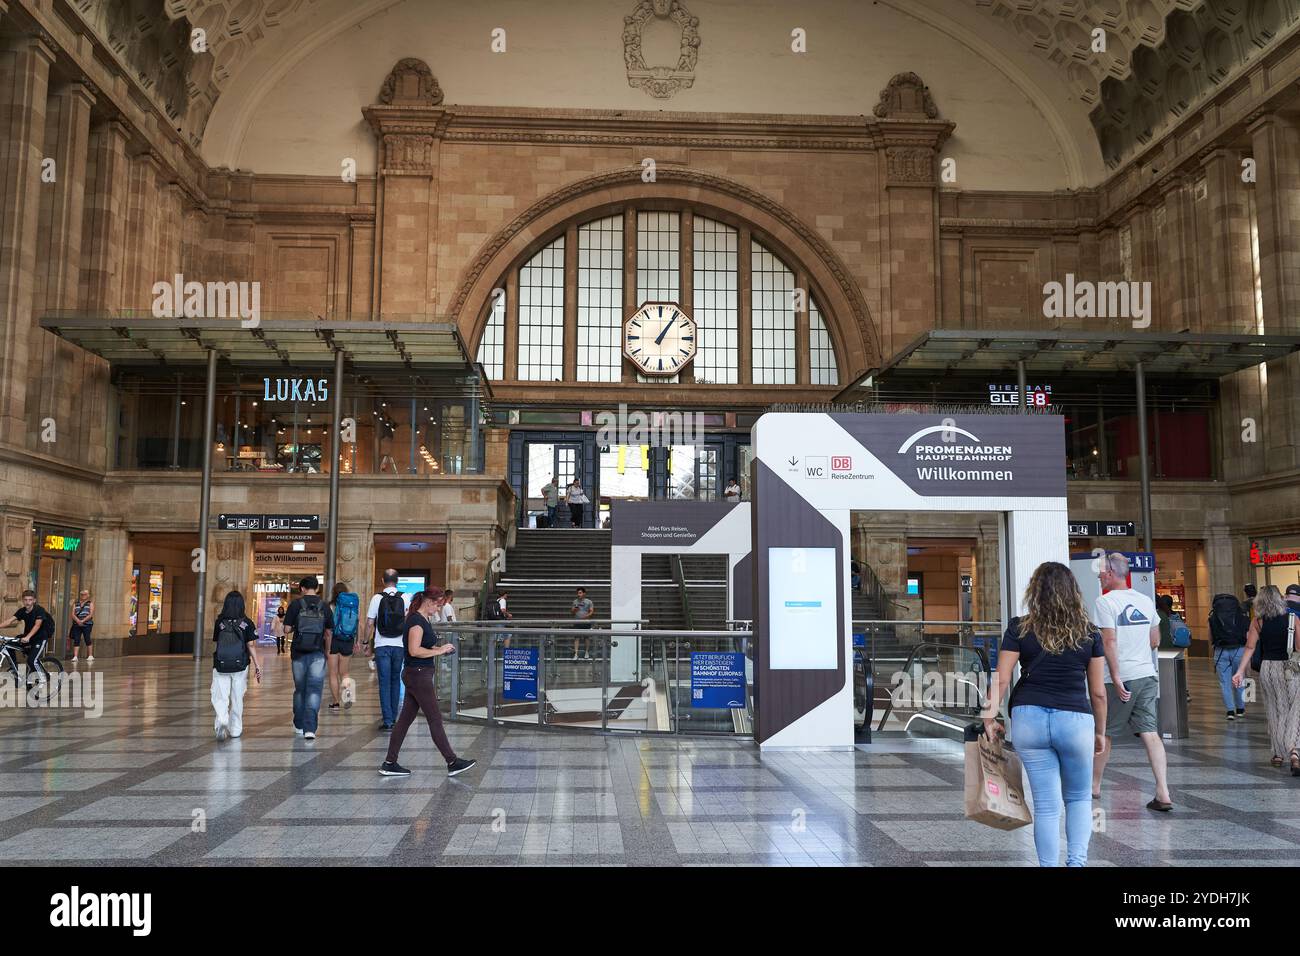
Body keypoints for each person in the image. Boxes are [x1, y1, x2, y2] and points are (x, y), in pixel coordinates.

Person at [985, 562, 1107, 867]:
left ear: (1035, 592)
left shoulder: (1020, 627)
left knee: (1047, 805)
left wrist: (989, 717)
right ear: (1073, 592)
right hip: (1076, 721)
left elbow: (1000, 678)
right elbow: (1098, 692)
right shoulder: (1090, 633)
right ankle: (1076, 863)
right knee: (1078, 798)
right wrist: (1100, 731)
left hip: (1029, 719)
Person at [1090, 552, 1172, 811]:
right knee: (1150, 732)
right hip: (1146, 674)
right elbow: (1155, 639)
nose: (1100, 575)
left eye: (1102, 572)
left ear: (1112, 574)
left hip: (1120, 678)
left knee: (1106, 732)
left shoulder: (1105, 603)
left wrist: (1114, 674)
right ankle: (1163, 792)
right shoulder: (1145, 601)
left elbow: (1108, 640)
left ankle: (1093, 786)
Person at [379, 588, 477, 779]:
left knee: (405, 720)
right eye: (438, 604)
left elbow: (424, 645)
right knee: (435, 718)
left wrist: (440, 648)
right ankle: (452, 761)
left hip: (417, 674)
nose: (439, 608)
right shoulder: (416, 620)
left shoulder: (422, 619)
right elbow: (414, 650)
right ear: (429, 602)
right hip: (418, 675)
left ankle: (389, 763)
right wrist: (438, 652)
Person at [1233, 584, 1300, 774]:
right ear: (1280, 599)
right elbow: (1299, 648)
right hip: (1290, 669)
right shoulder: (1293, 618)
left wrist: (1239, 671)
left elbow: (1250, 648)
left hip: (1267, 669)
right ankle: (1293, 751)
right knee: (1293, 709)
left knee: (1274, 710)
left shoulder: (1258, 621)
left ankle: (1278, 753)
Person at [284, 575, 333, 740]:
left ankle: (298, 724)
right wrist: (327, 650)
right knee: (314, 690)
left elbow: (286, 629)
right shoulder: (324, 606)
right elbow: (328, 632)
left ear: (302, 588)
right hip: (317, 653)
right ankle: (310, 728)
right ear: (317, 589)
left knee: (300, 689)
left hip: (298, 653)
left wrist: (296, 627)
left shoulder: (296, 604)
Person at [210, 589, 262, 741]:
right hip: (241, 665)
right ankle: (235, 729)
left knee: (220, 694)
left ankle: (222, 719)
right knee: (237, 696)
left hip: (221, 664)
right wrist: (258, 665)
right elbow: (251, 645)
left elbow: (217, 642)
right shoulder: (247, 623)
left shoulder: (219, 622)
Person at [367, 569, 411, 731]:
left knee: (384, 682)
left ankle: (387, 721)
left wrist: (365, 641)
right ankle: (394, 717)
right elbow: (409, 621)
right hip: (399, 645)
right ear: (397, 580)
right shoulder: (405, 597)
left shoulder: (377, 598)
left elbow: (370, 622)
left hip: (381, 645)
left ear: (382, 580)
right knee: (395, 681)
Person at [0, 590, 54, 689]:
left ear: (34, 600)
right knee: (8, 644)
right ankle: (15, 671)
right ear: (22, 600)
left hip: (40, 638)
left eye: (30, 600)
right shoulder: (22, 611)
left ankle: (42, 677)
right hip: (27, 637)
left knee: (31, 660)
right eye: (25, 600)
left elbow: (37, 625)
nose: (27, 602)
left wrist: (28, 637)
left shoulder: (39, 610)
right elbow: (9, 621)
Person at [1209, 590, 1249, 719]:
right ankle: (1241, 709)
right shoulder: (1242, 616)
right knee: (1240, 678)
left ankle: (1230, 711)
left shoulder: (1212, 617)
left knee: (1224, 682)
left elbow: (1210, 637)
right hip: (1239, 650)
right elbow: (1248, 636)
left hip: (1221, 651)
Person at [327, 582, 360, 712]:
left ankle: (335, 703)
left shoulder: (331, 606)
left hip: (334, 640)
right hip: (348, 640)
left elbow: (328, 629)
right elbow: (358, 624)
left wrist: (328, 647)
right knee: (345, 673)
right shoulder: (352, 605)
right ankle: (348, 696)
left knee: (333, 674)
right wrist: (357, 641)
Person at [69, 589, 94, 663]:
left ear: (88, 595)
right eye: (82, 594)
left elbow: (91, 614)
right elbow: (73, 614)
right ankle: (75, 656)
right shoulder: (75, 603)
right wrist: (78, 621)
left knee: (87, 638)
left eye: (85, 594)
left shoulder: (90, 603)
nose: (83, 596)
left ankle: (90, 655)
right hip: (77, 624)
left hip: (87, 624)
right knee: (77, 639)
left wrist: (83, 621)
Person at [571, 586, 594, 660]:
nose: (578, 594)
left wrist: (586, 616)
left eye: (580, 593)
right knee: (576, 638)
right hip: (577, 622)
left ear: (584, 593)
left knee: (586, 637)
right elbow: (572, 612)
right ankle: (576, 654)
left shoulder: (589, 601)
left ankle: (587, 652)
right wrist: (574, 609)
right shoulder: (575, 601)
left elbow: (591, 611)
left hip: (586, 622)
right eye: (578, 593)